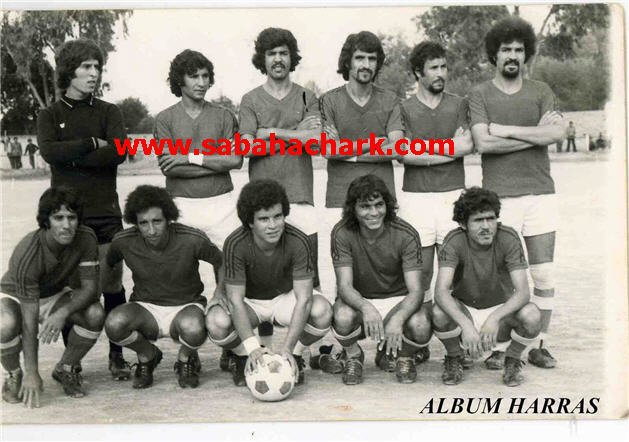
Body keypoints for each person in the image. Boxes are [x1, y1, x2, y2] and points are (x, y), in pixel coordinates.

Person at [468, 17, 565, 369]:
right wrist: (533, 135)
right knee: (505, 277)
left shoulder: (541, 91)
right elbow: (483, 143)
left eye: (519, 50)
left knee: (544, 274)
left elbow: (556, 134)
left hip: (540, 193)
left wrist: (506, 130)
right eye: (506, 49)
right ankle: (501, 346)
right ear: (494, 55)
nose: (512, 55)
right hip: (499, 198)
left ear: (527, 55)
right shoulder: (480, 94)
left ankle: (539, 344)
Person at [37, 39, 131, 380]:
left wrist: (71, 156)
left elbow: (118, 152)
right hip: (68, 216)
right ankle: (71, 361)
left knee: (111, 282)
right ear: (69, 71)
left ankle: (117, 355)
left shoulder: (109, 112)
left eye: (97, 67)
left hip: (105, 211)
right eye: (86, 67)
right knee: (74, 289)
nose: (94, 74)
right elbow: (50, 152)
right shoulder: (50, 115)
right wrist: (91, 144)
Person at [237, 27, 322, 367]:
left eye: (283, 52)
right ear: (262, 59)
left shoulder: (306, 96)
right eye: (271, 53)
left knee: (308, 282)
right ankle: (259, 352)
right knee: (263, 280)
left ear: (292, 57)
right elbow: (245, 146)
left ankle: (295, 354)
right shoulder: (250, 99)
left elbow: (316, 141)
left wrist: (269, 132)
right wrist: (294, 134)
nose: (278, 59)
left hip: (300, 197)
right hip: (261, 204)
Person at [154, 49, 242, 372]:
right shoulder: (165, 119)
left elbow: (235, 160)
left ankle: (231, 345)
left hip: (222, 203)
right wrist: (212, 163)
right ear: (179, 80)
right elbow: (169, 167)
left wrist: (190, 157)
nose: (201, 82)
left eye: (206, 76)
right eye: (194, 76)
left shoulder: (224, 116)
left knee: (229, 269)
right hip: (181, 205)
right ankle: (188, 353)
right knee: (182, 274)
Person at [205, 179, 332, 386]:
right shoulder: (235, 243)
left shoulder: (299, 240)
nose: (273, 225)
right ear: (250, 222)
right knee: (216, 321)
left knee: (323, 310)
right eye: (263, 219)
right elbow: (235, 300)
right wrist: (252, 347)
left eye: (277, 216)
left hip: (284, 299)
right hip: (250, 303)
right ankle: (243, 356)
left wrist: (288, 347)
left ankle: (295, 356)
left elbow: (304, 300)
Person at [397, 41, 474, 365]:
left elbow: (467, 145)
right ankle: (420, 339)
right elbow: (402, 153)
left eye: (443, 67)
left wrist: (423, 151)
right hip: (416, 197)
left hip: (452, 195)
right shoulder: (404, 108)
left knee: (454, 271)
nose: (441, 73)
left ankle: (456, 347)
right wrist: (446, 150)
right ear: (418, 72)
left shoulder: (459, 104)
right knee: (422, 273)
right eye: (434, 68)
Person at [105, 186, 223, 389]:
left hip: (186, 306)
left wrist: (219, 295)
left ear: (168, 218)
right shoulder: (123, 241)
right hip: (145, 307)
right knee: (114, 323)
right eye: (143, 223)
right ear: (135, 223)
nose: (151, 230)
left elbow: (221, 262)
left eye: (157, 221)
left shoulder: (191, 238)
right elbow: (109, 263)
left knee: (194, 328)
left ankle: (186, 359)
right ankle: (147, 356)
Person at [1, 187, 104, 406]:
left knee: (95, 314)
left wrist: (62, 313)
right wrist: (32, 372)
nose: (66, 225)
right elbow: (29, 324)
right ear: (46, 220)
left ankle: (65, 367)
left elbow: (90, 289)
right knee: (4, 324)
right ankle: (14, 373)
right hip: (16, 296)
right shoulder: (28, 252)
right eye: (58, 218)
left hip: (53, 293)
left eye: (71, 217)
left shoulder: (86, 237)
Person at [432, 187, 541, 386]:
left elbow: (523, 292)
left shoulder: (508, 237)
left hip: (500, 311)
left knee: (532, 314)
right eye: (477, 220)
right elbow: (441, 291)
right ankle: (454, 357)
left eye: (490, 219)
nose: (486, 226)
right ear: (463, 224)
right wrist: (466, 325)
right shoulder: (454, 240)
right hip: (466, 310)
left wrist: (494, 318)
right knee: (438, 312)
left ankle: (512, 359)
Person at [328, 174, 430, 385]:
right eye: (365, 206)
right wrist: (366, 307)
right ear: (353, 209)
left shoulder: (406, 233)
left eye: (379, 205)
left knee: (421, 324)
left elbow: (416, 290)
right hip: (361, 299)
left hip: (397, 299)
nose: (374, 213)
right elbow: (344, 286)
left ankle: (404, 356)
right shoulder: (341, 232)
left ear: (387, 205)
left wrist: (399, 317)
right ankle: (354, 355)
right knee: (342, 316)